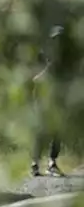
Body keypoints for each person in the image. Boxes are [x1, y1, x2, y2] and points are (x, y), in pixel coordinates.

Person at [32, 25, 64, 178]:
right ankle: (35, 164)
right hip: (42, 94)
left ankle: (52, 163)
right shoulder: (43, 54)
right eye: (56, 38)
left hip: (57, 95)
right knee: (41, 131)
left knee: (57, 131)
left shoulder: (64, 58)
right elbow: (35, 74)